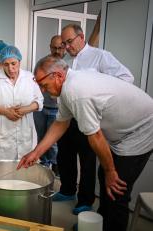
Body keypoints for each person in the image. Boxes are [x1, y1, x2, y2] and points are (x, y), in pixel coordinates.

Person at [18, 55, 153, 231]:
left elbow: (95, 136)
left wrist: (111, 170)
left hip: (140, 132)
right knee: (105, 178)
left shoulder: (76, 92)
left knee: (116, 189)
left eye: (44, 85)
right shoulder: (67, 86)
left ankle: (112, 226)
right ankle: (100, 224)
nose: (43, 90)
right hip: (123, 133)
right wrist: (36, 153)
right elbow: (61, 123)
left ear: (58, 75)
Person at [50, 23, 135, 215]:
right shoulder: (68, 62)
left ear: (81, 37)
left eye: (69, 42)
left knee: (87, 161)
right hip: (69, 117)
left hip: (89, 119)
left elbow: (127, 78)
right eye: (64, 43)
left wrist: (100, 94)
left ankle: (85, 201)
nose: (67, 47)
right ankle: (67, 190)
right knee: (65, 156)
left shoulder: (100, 56)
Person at [0, 45, 44, 162]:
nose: (10, 68)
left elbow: (39, 101)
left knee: (25, 171)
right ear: (1, 64)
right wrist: (6, 112)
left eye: (13, 63)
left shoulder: (29, 77)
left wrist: (26, 109)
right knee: (1, 174)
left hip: (25, 134)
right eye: (6, 64)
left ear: (19, 62)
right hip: (1, 135)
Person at [33, 35, 65, 176]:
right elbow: (36, 83)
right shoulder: (42, 63)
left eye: (60, 47)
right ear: (50, 47)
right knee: (41, 138)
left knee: (53, 141)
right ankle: (44, 164)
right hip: (41, 108)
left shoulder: (66, 64)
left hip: (58, 110)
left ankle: (56, 165)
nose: (57, 50)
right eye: (54, 47)